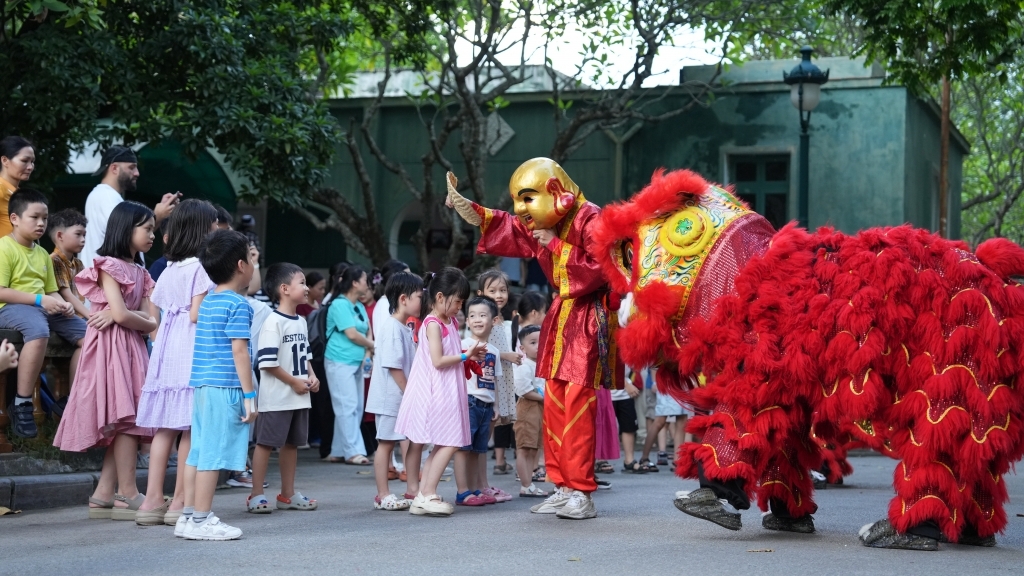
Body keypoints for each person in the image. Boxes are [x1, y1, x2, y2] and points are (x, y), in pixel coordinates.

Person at [446, 158, 624, 520]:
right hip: (561, 318)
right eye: (519, 200)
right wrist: (472, 211)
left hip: (588, 319)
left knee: (576, 406)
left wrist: (557, 246)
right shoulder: (544, 223)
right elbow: (509, 226)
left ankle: (581, 492)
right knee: (555, 404)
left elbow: (604, 269)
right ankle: (563, 487)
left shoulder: (592, 219)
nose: (521, 210)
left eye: (527, 199)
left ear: (555, 191)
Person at [52, 201, 158, 520]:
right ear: (126, 229)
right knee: (125, 419)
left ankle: (103, 494)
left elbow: (151, 321)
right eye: (147, 228)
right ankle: (128, 493)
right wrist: (122, 315)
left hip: (130, 348)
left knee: (128, 418)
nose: (153, 235)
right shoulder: (108, 265)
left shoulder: (141, 272)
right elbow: (136, 318)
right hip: (110, 348)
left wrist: (121, 315)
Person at [132, 199, 218, 526]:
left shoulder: (170, 268)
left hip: (167, 347)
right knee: (191, 426)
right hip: (191, 347)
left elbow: (155, 311)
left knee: (165, 429)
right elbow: (197, 313)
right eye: (212, 225)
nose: (216, 230)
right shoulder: (202, 268)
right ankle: (180, 501)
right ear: (202, 229)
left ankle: (152, 500)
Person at [176, 229, 256, 541]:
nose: (253, 264)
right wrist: (249, 395)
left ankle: (187, 516)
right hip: (225, 387)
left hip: (203, 387)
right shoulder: (239, 305)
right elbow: (239, 352)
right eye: (250, 258)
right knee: (212, 454)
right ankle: (201, 519)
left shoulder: (209, 301)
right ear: (241, 265)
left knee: (198, 452)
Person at [395, 268, 486, 516]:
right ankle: (427, 494)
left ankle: (424, 495)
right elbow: (438, 360)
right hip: (438, 391)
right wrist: (466, 355)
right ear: (439, 297)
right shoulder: (433, 323)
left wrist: (467, 356)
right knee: (450, 442)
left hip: (448, 389)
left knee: (445, 443)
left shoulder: (450, 321)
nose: (459, 307)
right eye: (457, 301)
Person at [0, 190, 87, 439]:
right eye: (34, 217)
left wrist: (63, 304)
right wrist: (41, 300)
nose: (41, 223)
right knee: (39, 331)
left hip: (42, 307)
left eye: (45, 218)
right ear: (15, 218)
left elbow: (51, 291)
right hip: (10, 308)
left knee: (93, 336)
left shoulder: (41, 253)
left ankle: (72, 398)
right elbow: (1, 291)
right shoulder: (4, 248)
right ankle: (22, 403)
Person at [247, 263, 320, 514]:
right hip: (277, 397)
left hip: (298, 396)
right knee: (266, 444)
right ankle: (256, 494)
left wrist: (312, 376)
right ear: (285, 289)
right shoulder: (273, 321)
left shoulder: (300, 321)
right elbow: (267, 363)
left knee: (292, 444)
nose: (307, 288)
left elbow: (305, 355)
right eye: (302, 283)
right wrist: (294, 382)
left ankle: (287, 494)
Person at [367, 271, 422, 510]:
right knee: (386, 444)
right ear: (403, 299)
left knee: (408, 441)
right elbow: (394, 366)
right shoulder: (392, 327)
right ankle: (383, 494)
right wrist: (410, 393)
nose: (423, 302)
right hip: (390, 398)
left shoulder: (404, 327)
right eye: (420, 297)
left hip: (400, 396)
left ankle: (412, 490)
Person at [83, 145, 180, 268]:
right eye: (131, 167)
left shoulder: (105, 195)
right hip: (109, 276)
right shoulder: (107, 197)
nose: (137, 173)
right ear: (114, 168)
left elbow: (132, 233)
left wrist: (157, 215)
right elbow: (124, 233)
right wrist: (157, 215)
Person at [455, 296, 506, 507]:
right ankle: (462, 491)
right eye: (473, 315)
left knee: (478, 450)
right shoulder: (463, 345)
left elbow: (495, 381)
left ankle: (475, 488)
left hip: (486, 405)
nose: (477, 319)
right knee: (463, 449)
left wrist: (496, 406)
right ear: (467, 321)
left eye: (483, 315)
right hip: (469, 401)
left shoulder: (494, 351)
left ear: (494, 320)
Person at [324, 265, 374, 464]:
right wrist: (373, 346)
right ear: (354, 283)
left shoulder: (358, 305)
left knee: (355, 407)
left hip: (357, 361)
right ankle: (353, 452)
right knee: (347, 406)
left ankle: (338, 450)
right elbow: (352, 334)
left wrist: (368, 352)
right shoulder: (339, 304)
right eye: (364, 280)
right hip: (339, 360)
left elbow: (368, 331)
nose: (367, 284)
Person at [475, 269, 521, 476]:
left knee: (487, 433)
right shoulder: (483, 319)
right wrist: (506, 355)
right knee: (483, 435)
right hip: (488, 382)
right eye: (492, 291)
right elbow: (480, 349)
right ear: (481, 293)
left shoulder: (501, 319)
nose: (499, 295)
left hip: (500, 381)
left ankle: (482, 483)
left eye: (503, 290)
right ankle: (479, 482)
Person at [514, 325, 547, 497]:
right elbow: (524, 390)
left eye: (542, 341)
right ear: (522, 348)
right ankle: (525, 484)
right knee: (525, 447)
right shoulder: (524, 366)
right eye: (533, 343)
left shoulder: (542, 365)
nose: (538, 346)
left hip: (540, 407)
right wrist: (546, 399)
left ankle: (529, 483)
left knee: (534, 448)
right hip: (528, 407)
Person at [48, 209, 90, 320]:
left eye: (84, 235)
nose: (83, 240)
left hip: (80, 315)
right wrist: (91, 316)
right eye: (78, 234)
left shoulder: (78, 264)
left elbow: (89, 290)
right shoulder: (54, 260)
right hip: (64, 316)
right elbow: (67, 295)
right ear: (60, 236)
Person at [0, 136, 35, 238]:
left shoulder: (16, 193)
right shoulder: (1, 189)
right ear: (5, 160)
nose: (30, 167)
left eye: (32, 162)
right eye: (24, 161)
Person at [614, 368, 644, 473]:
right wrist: (626, 384)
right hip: (606, 392)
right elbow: (606, 366)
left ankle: (629, 460)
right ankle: (600, 460)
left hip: (625, 393)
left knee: (629, 426)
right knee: (603, 428)